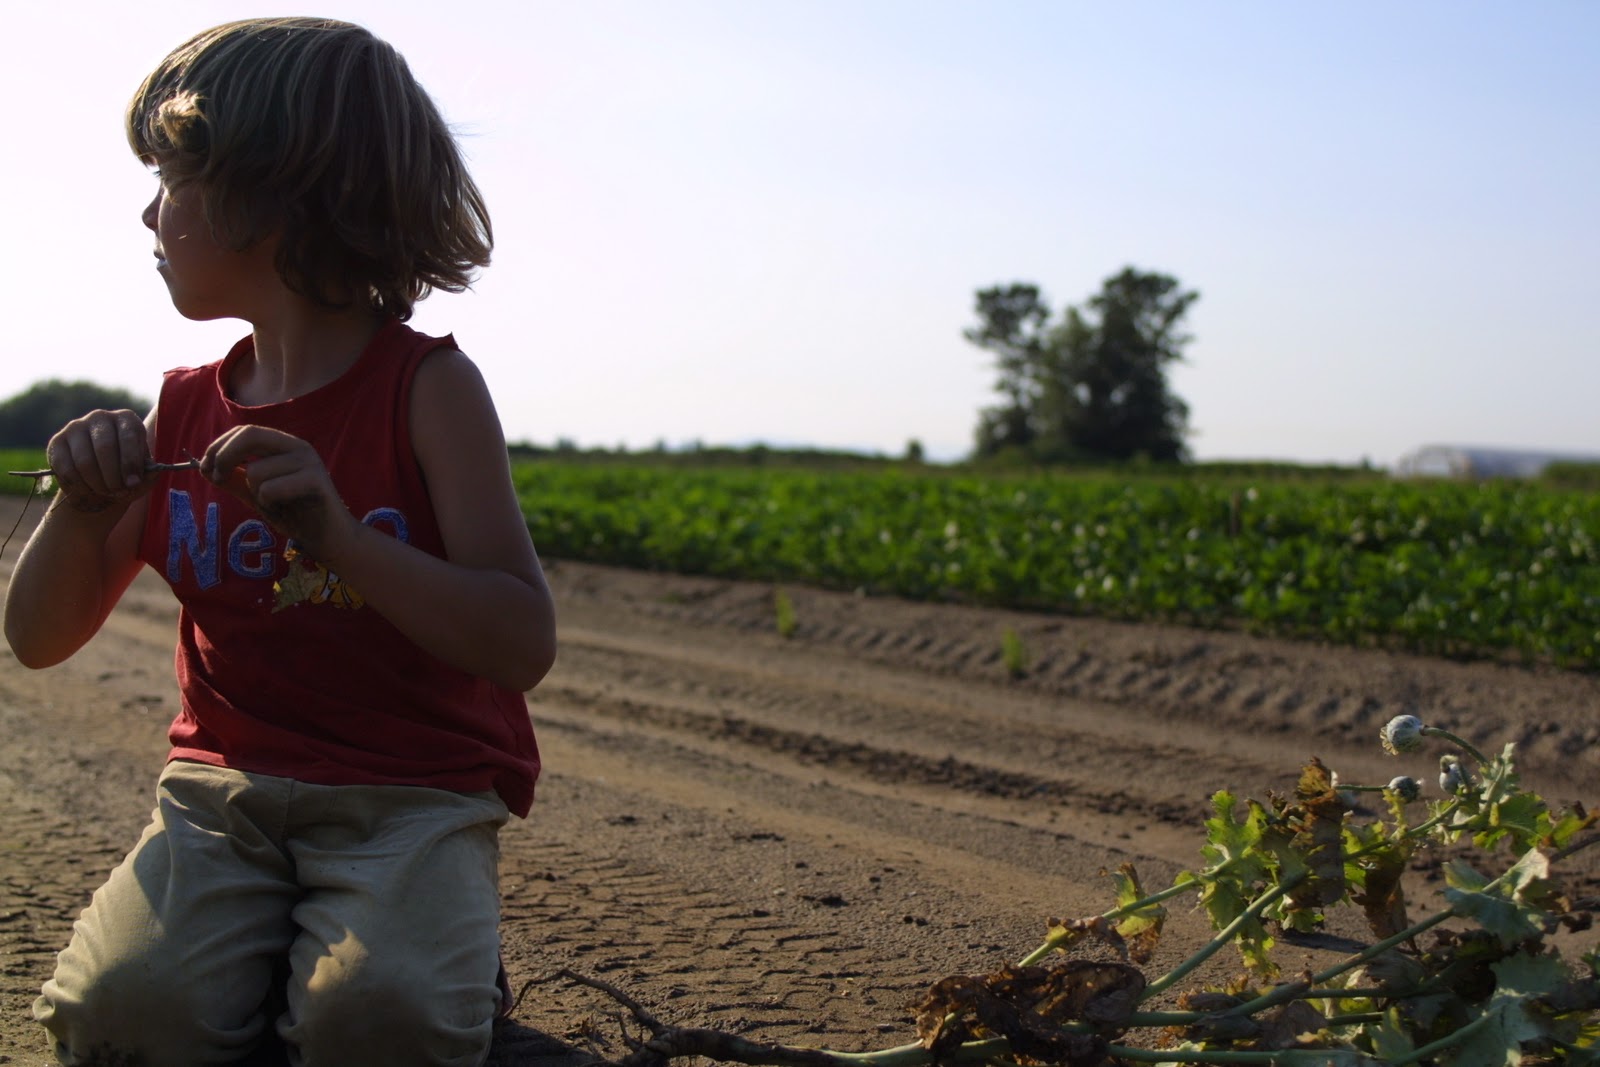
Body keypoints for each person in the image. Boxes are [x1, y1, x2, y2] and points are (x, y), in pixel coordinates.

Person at [3, 17, 556, 1066]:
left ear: (270, 194)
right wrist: (76, 510)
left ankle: (430, 970)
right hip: (223, 798)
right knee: (120, 1020)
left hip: (413, 799)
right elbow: (36, 637)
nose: (146, 209)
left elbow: (519, 639)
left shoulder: (426, 388)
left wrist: (338, 537)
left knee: (378, 1018)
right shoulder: (179, 410)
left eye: (168, 177)